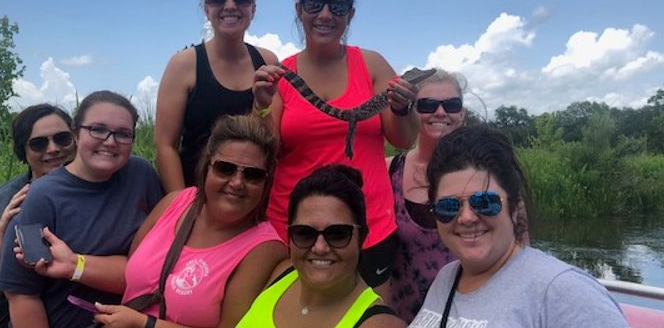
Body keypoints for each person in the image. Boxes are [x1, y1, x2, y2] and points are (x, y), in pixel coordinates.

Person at [253, 0, 418, 296]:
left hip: (366, 226)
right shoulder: (281, 74)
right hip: (295, 228)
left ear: (350, 14)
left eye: (338, 6)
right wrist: (262, 106)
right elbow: (270, 152)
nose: (325, 15)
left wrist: (403, 108)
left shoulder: (372, 64)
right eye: (315, 4)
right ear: (299, 9)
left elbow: (402, 139)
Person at [25, 114, 287, 328]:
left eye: (253, 175)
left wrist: (145, 324)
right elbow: (130, 272)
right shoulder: (175, 203)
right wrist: (74, 264)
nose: (237, 182)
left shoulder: (263, 249)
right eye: (225, 168)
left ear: (267, 182)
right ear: (207, 167)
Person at [410, 125, 628, 327]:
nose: (466, 217)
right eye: (449, 206)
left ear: (514, 208)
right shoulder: (446, 277)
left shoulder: (562, 291)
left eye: (484, 203)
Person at [0, 91, 163, 328]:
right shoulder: (41, 196)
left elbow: (159, 259)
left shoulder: (141, 175)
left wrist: (76, 264)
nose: (110, 141)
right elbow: (22, 293)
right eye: (98, 129)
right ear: (76, 133)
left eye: (123, 134)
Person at [155, 0, 278, 193]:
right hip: (194, 195)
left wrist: (262, 105)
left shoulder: (267, 62)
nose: (230, 6)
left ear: (253, 8)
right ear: (207, 9)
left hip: (248, 195)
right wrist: (180, 204)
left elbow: (270, 142)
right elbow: (165, 146)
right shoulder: (184, 64)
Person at [238, 164, 405, 328]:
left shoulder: (380, 325)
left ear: (361, 238)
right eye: (304, 233)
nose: (319, 247)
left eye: (337, 234)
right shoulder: (281, 273)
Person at [0, 104, 76, 325]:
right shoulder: (7, 200)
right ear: (24, 150)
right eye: (39, 143)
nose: (53, 149)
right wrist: (4, 225)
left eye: (62, 138)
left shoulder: (95, 190)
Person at [388, 70, 463, 323]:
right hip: (401, 319)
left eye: (451, 105)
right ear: (411, 110)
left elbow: (519, 254)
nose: (440, 113)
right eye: (428, 105)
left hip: (468, 319)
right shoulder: (388, 171)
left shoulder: (490, 178)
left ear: (461, 113)